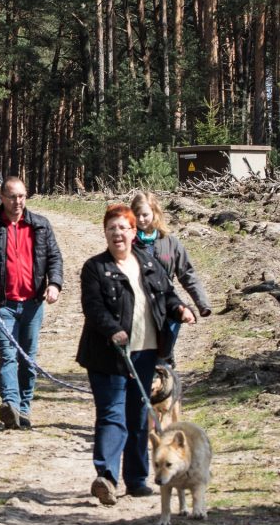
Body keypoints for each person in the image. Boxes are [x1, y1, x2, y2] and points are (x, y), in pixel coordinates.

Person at [76, 204, 195, 506]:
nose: (118, 233)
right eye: (111, 228)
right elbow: (93, 308)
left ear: (133, 232)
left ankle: (137, 479)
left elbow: (166, 294)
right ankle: (106, 477)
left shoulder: (148, 262)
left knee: (139, 417)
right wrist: (112, 329)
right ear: (105, 233)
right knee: (112, 415)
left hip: (146, 352)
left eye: (123, 228)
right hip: (107, 355)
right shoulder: (95, 268)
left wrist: (180, 308)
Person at [0, 176, 63, 430]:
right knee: (8, 355)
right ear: (1, 197)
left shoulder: (40, 226)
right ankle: (9, 404)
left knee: (28, 358)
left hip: (33, 304)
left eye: (21, 196)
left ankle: (24, 408)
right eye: (12, 196)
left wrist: (54, 284)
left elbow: (55, 258)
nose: (18, 201)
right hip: (2, 306)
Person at [131, 191, 212, 366]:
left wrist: (202, 304)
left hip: (166, 305)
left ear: (155, 213)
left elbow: (187, 274)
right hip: (138, 306)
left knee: (163, 356)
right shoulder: (128, 244)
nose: (141, 219)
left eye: (145, 214)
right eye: (137, 215)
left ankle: (166, 374)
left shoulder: (171, 243)